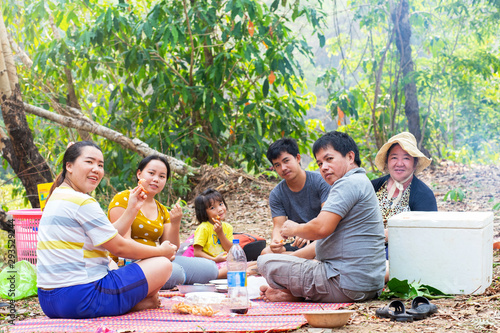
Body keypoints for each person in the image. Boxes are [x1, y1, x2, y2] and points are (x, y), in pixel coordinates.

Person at [37, 141, 177, 319]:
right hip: (81, 297)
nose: (96, 169)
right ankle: (141, 303)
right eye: (89, 162)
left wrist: (132, 208)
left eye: (100, 165)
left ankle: (135, 301)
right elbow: (119, 247)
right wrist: (160, 251)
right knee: (162, 264)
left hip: (49, 301)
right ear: (69, 166)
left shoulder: (57, 196)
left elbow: (107, 236)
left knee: (111, 264)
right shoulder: (82, 201)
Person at [257, 131, 386, 303]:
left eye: (329, 159)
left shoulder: (346, 184)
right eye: (319, 163)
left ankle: (295, 292)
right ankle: (292, 294)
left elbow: (321, 228)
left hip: (345, 284)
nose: (324, 167)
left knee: (265, 262)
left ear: (349, 157)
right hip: (366, 284)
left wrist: (295, 228)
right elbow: (280, 228)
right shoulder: (360, 181)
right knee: (272, 256)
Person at [108, 155, 218, 289]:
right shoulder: (123, 199)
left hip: (158, 258)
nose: (156, 179)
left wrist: (175, 223)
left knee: (210, 268)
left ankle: (169, 280)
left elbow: (172, 248)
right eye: (151, 173)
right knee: (177, 273)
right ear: (139, 173)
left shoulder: (161, 209)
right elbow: (124, 245)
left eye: (162, 176)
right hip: (128, 262)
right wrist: (159, 252)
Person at [262, 138, 331, 254]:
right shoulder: (277, 194)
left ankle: (290, 259)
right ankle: (293, 258)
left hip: (323, 238)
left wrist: (306, 231)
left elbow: (327, 219)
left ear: (298, 158)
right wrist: (276, 241)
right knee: (266, 252)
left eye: (286, 161)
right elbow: (278, 226)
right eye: (277, 165)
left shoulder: (321, 181)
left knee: (317, 247)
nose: (283, 168)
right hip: (299, 242)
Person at [371, 132, 437, 228]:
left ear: (415, 163)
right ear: (387, 161)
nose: (399, 163)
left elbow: (425, 232)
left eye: (406, 158)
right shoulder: (373, 187)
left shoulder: (424, 195)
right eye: (394, 157)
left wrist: (386, 235)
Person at [192, 188, 233, 278]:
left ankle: (244, 271)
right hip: (210, 264)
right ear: (204, 212)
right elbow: (197, 253)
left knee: (256, 264)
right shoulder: (203, 228)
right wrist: (215, 259)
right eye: (212, 208)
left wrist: (220, 233)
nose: (220, 209)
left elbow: (230, 250)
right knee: (237, 268)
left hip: (226, 262)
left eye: (221, 204)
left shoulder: (227, 227)